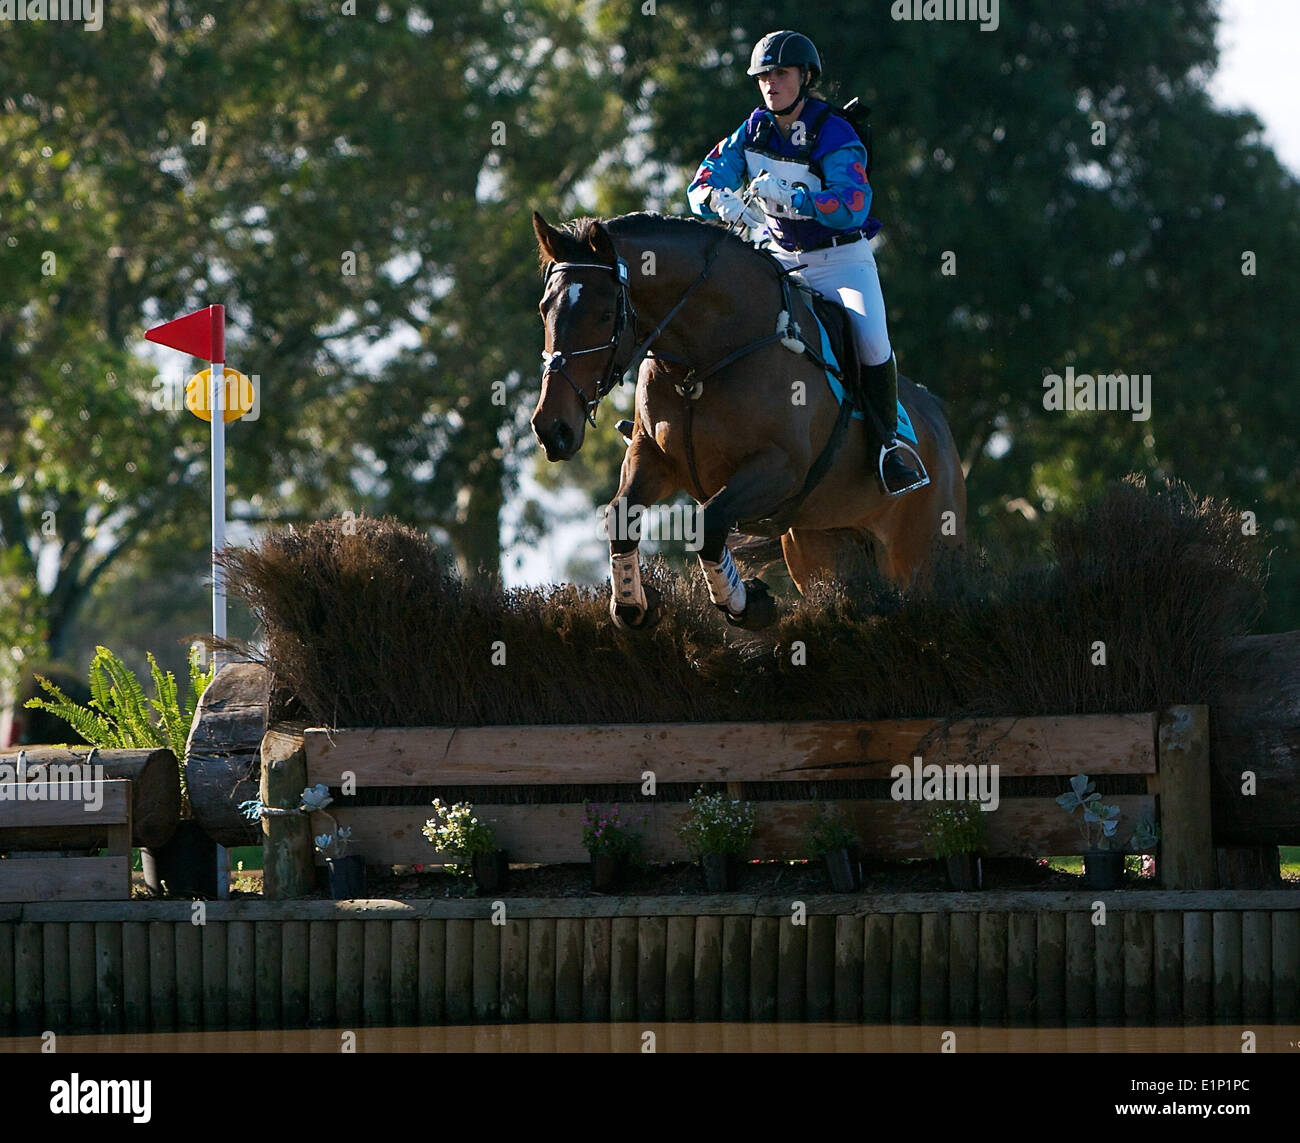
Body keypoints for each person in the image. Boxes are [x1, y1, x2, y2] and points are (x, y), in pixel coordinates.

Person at [687, 29, 927, 495]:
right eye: (763, 76)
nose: (771, 84)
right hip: (778, 258)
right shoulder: (752, 128)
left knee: (872, 341)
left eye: (781, 73)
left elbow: (854, 201)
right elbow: (702, 179)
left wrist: (799, 200)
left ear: (805, 76)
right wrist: (718, 200)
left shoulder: (833, 130)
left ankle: (889, 447)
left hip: (840, 263)